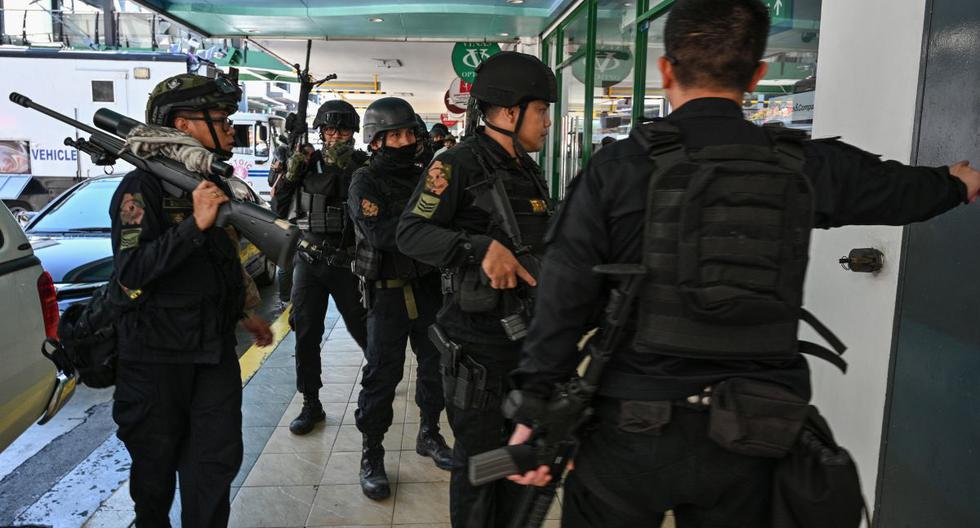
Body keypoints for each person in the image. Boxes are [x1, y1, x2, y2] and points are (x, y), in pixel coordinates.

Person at [506, 1, 980, 527]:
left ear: (666, 68)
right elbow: (897, 192)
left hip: (629, 428)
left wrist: (535, 409)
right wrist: (956, 183)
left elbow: (563, 297)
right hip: (753, 432)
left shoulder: (616, 169)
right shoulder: (804, 164)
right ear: (757, 74)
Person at [397, 51, 556, 528]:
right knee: (479, 466)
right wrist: (477, 246)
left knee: (515, 461)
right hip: (478, 350)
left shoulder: (525, 169)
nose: (548, 122)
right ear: (510, 112)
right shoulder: (455, 164)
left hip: (522, 343)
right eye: (542, 110)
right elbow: (409, 232)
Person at [110, 72, 273, 527]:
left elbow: (220, 260)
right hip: (156, 359)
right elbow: (132, 272)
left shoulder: (203, 182)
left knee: (213, 466)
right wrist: (192, 226)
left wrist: (246, 312)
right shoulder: (141, 189)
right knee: (156, 474)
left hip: (211, 353)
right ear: (182, 125)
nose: (229, 130)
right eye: (219, 120)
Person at [347, 97, 454, 500]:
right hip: (387, 295)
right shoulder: (364, 181)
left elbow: (444, 222)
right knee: (382, 377)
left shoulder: (426, 174)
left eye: (411, 133)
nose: (407, 140)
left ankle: (429, 434)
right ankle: (371, 453)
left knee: (435, 366)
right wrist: (429, 228)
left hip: (427, 289)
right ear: (376, 141)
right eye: (397, 135)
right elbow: (383, 235)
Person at [276, 99, 370, 435]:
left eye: (343, 129)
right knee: (306, 334)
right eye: (330, 129)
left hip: (346, 263)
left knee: (365, 332)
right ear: (320, 132)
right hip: (308, 260)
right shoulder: (306, 161)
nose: (336, 135)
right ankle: (310, 403)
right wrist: (290, 170)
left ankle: (377, 388)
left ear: (353, 133)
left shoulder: (362, 164)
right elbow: (278, 204)